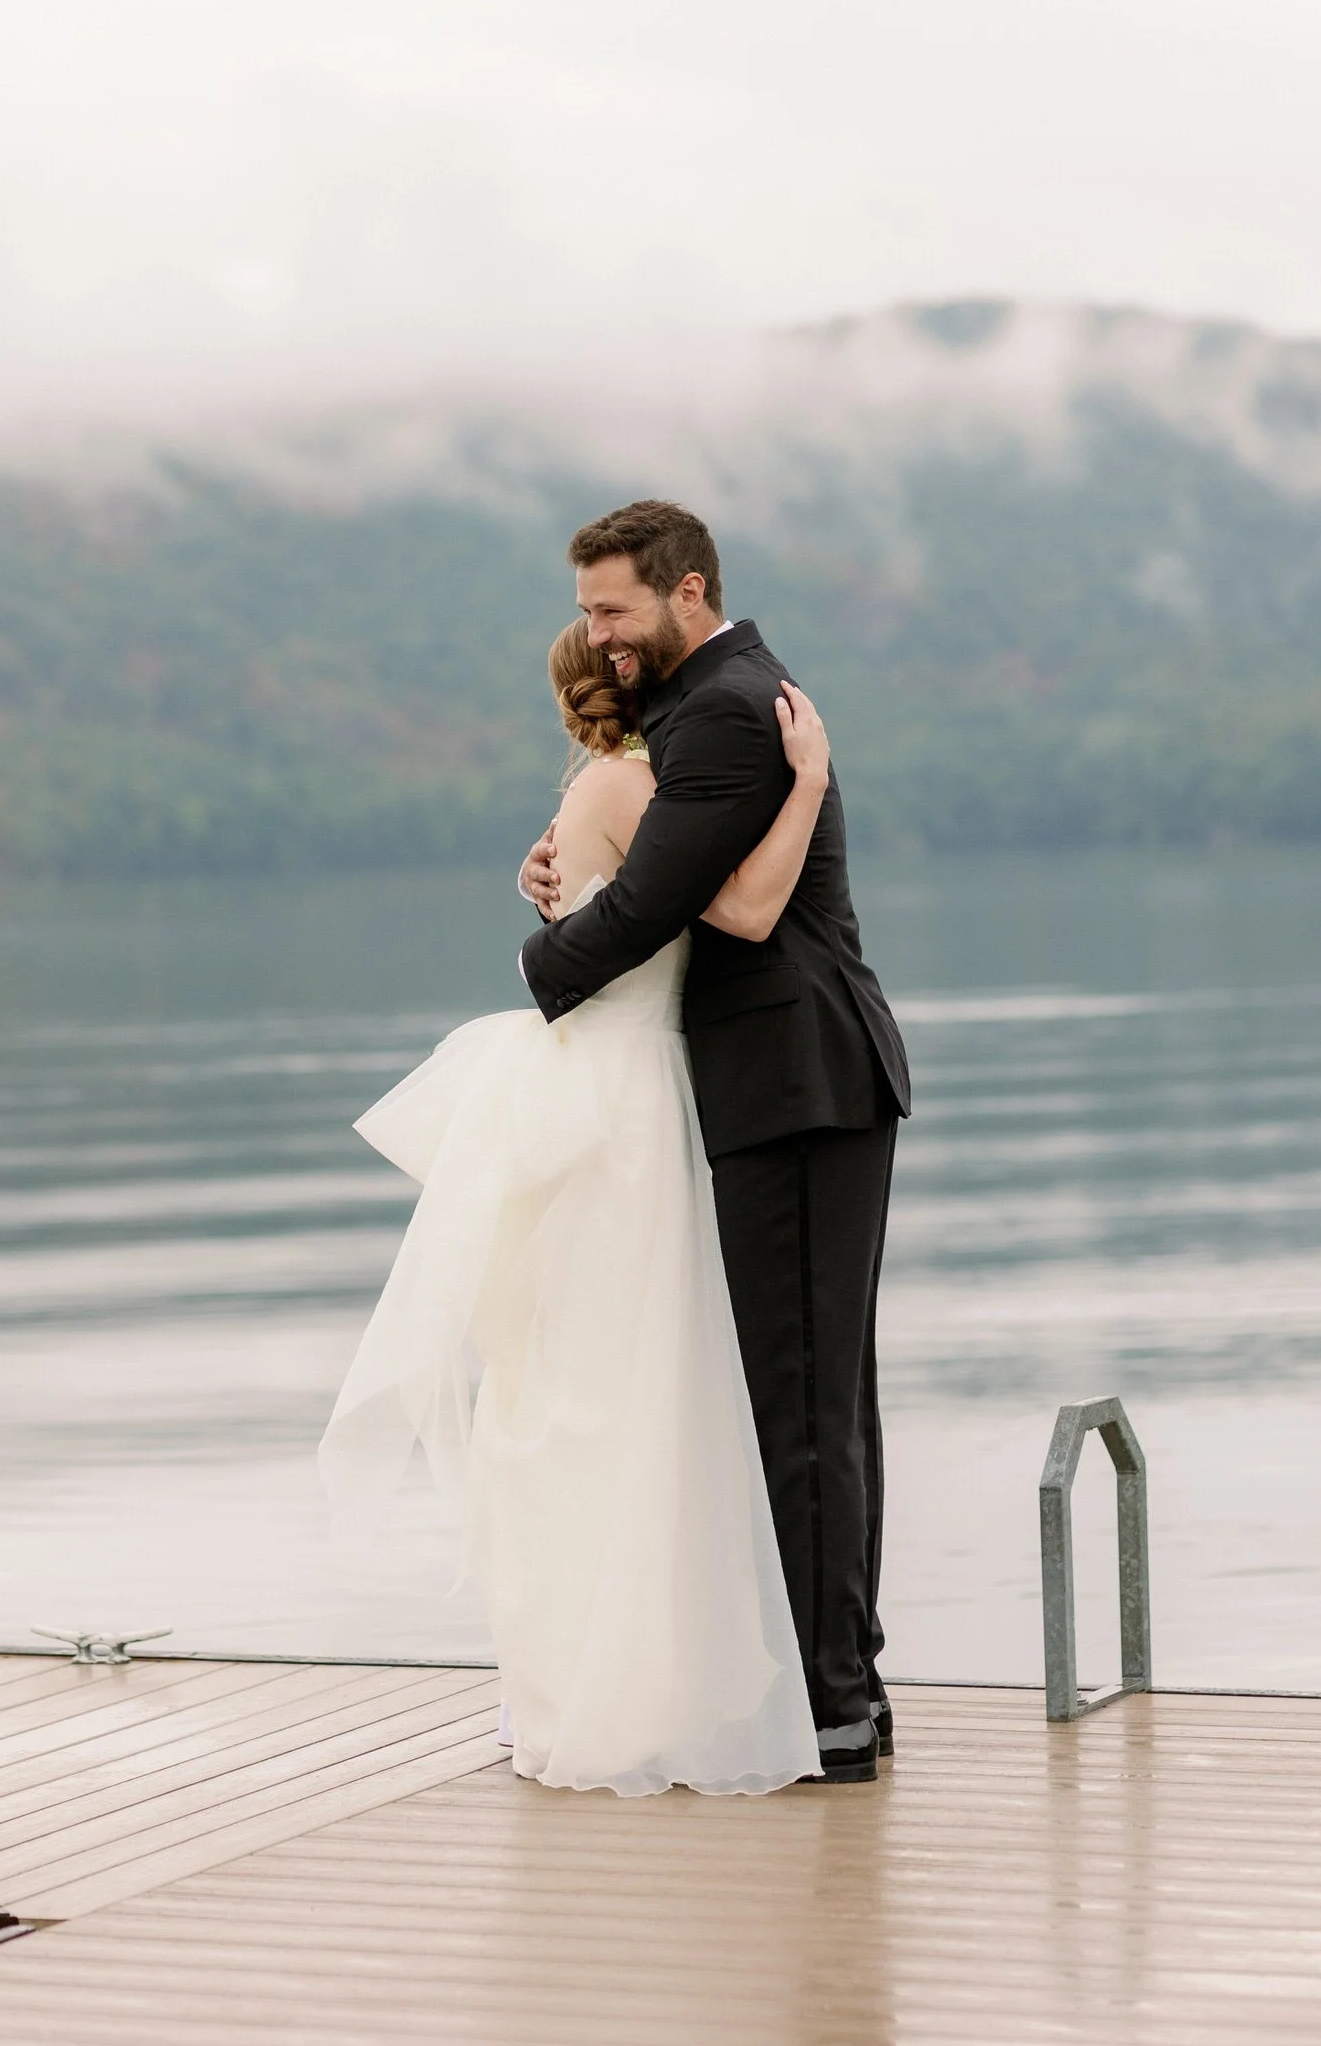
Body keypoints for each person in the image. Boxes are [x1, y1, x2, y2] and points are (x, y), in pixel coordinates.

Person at [321, 615, 840, 1795]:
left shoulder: (603, 795)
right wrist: (806, 779)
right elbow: (744, 910)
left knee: (566, 1395)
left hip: (595, 1093)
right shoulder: (643, 789)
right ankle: (632, 1676)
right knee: (633, 1394)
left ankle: (565, 1679)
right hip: (627, 1108)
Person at [518, 501, 910, 1784]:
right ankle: (836, 1680)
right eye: (586, 611)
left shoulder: (734, 710)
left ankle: (834, 1707)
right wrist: (573, 853)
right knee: (811, 1399)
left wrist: (545, 954)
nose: (598, 633)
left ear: (688, 593)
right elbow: (668, 871)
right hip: (782, 1083)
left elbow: (665, 909)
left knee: (801, 1408)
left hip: (794, 1082)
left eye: (613, 608)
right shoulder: (708, 710)